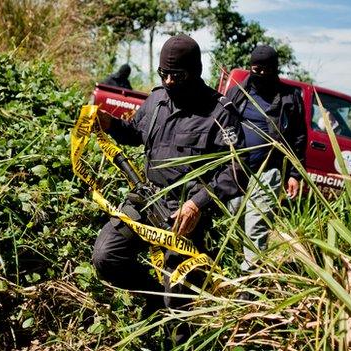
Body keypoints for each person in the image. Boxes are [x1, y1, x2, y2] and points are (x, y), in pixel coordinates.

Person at [92, 34, 245, 343]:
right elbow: (136, 132)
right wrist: (111, 125)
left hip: (184, 216)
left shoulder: (219, 112)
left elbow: (238, 170)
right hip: (145, 199)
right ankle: (151, 297)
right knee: (106, 257)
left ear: (196, 71)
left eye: (178, 75)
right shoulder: (158, 97)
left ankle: (178, 333)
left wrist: (198, 203)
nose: (170, 80)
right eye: (164, 73)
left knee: (176, 300)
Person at [226, 45, 307, 273]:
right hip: (237, 169)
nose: (260, 74)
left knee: (255, 225)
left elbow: (299, 137)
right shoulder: (238, 94)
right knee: (234, 218)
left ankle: (250, 277)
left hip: (268, 171)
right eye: (256, 69)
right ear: (250, 67)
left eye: (266, 69)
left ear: (275, 69)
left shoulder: (289, 99)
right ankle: (235, 266)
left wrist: (294, 174)